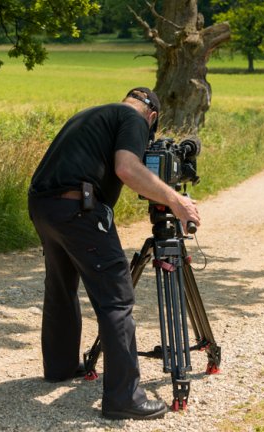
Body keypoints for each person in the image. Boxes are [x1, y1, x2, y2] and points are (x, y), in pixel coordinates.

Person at [27, 87, 201, 420]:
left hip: (43, 206)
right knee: (116, 299)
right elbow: (127, 168)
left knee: (61, 287)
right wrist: (176, 201)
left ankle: (60, 367)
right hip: (79, 208)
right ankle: (124, 398)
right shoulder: (133, 119)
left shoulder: (92, 114)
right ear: (152, 117)